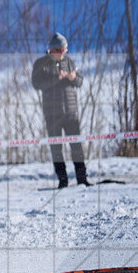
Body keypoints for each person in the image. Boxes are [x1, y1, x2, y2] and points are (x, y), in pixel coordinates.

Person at [32, 32, 90, 187]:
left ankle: (82, 179)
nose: (62, 53)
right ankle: (62, 181)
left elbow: (80, 81)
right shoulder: (41, 64)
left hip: (71, 113)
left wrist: (73, 78)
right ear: (52, 50)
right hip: (52, 114)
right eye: (60, 50)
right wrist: (57, 78)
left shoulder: (70, 62)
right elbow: (37, 84)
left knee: (77, 147)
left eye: (65, 49)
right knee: (56, 149)